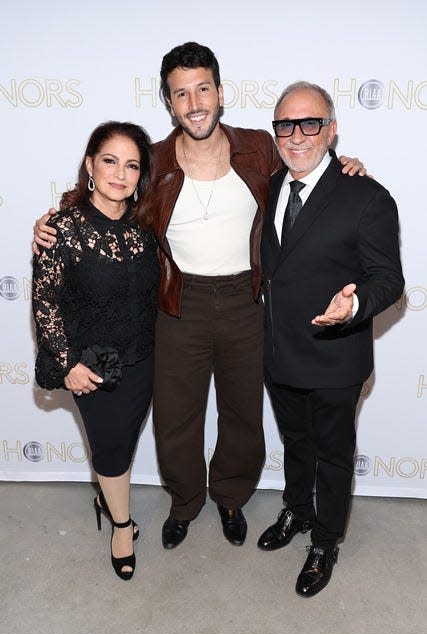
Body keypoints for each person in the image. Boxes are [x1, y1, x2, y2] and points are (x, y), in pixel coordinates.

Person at [32, 43, 364, 551]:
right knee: (176, 415)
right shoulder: (154, 161)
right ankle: (185, 503)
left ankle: (230, 497)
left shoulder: (258, 147)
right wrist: (50, 224)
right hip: (177, 301)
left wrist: (345, 167)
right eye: (180, 94)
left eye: (202, 89)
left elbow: (309, 157)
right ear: (169, 103)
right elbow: (104, 200)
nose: (194, 103)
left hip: (246, 300)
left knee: (241, 412)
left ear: (220, 93)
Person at [258, 82, 404, 597]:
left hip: (333, 357)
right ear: (275, 132)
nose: (296, 135)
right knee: (295, 444)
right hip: (278, 353)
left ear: (332, 128)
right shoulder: (272, 184)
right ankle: (297, 511)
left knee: (334, 454)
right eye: (285, 125)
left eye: (310, 123)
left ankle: (325, 540)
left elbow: (389, 280)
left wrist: (355, 304)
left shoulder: (366, 196)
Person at [32, 121, 159, 580]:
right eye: (110, 161)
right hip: (94, 366)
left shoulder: (145, 226)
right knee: (110, 450)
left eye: (131, 165)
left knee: (122, 445)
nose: (120, 174)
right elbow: (44, 300)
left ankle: (105, 495)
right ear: (90, 164)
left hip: (145, 357)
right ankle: (122, 525)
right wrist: (66, 364)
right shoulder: (60, 231)